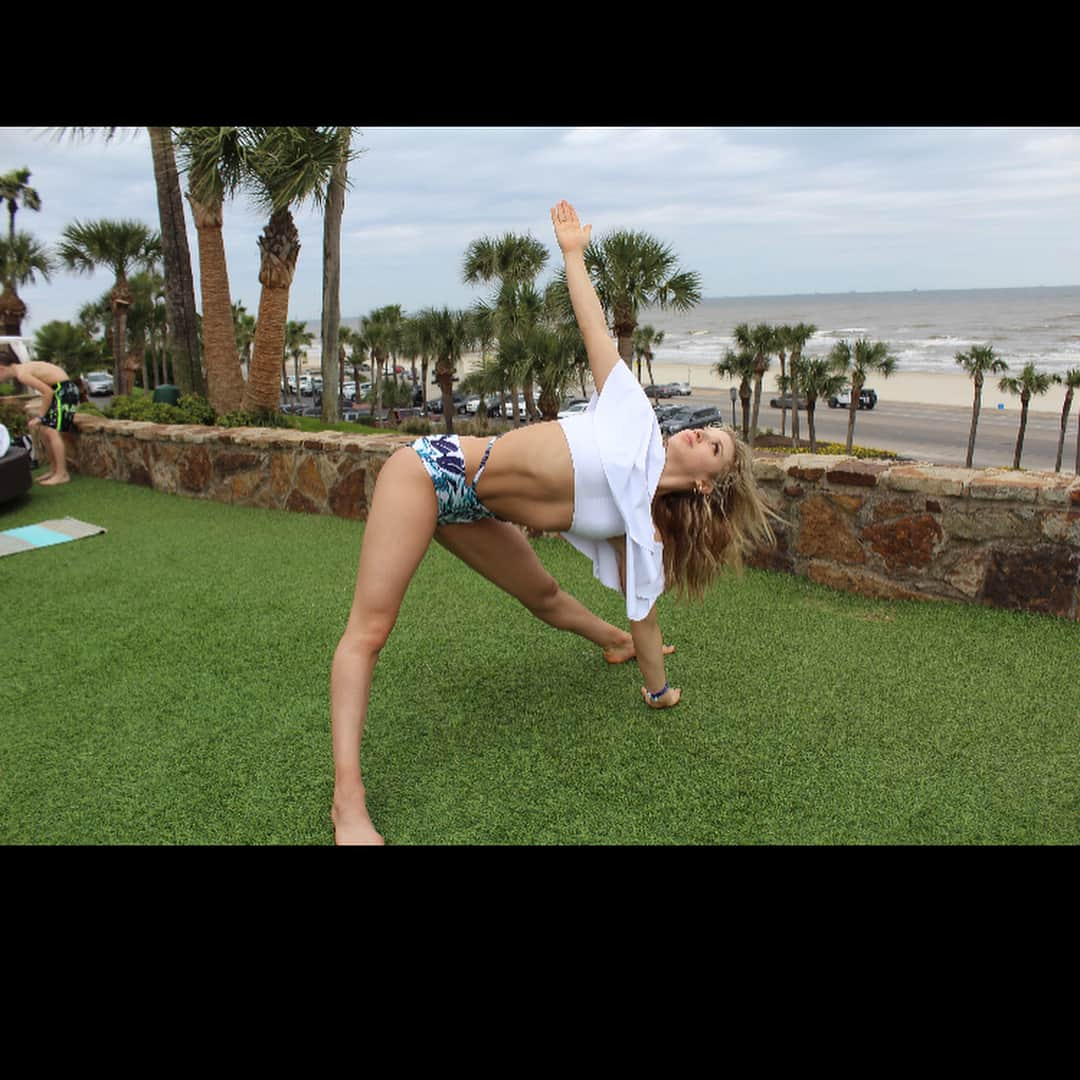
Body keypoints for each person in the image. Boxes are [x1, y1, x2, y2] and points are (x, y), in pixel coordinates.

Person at [330, 200, 775, 845]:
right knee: (370, 632)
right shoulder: (634, 419)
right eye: (708, 430)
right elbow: (594, 326)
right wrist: (573, 253)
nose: (703, 434)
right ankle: (349, 802)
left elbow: (643, 614)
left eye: (714, 447)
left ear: (706, 483)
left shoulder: (642, 531)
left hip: (476, 507)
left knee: (542, 594)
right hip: (430, 471)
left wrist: (659, 692)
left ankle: (605, 643)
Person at [0, 356, 80, 485]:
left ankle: (62, 473)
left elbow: (47, 392)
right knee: (43, 430)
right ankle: (54, 469)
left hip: (64, 391)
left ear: (1, 369)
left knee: (52, 432)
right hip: (59, 391)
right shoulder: (23, 369)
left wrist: (40, 417)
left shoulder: (22, 374)